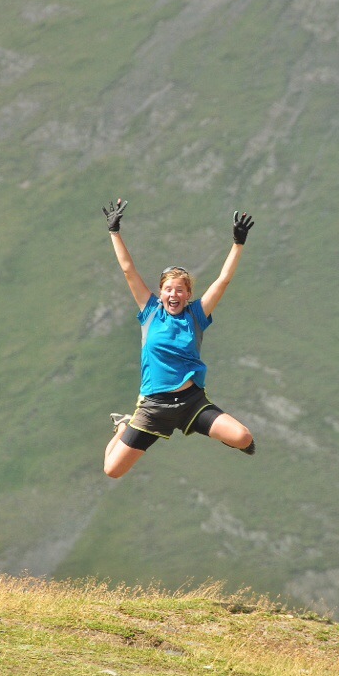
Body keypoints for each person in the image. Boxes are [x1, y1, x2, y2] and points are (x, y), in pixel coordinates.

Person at [101, 197, 256, 479]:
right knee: (112, 470)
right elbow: (128, 269)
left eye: (180, 290)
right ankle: (124, 425)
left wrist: (238, 243)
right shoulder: (150, 312)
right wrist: (114, 232)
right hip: (154, 407)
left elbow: (223, 281)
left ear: (188, 295)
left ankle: (210, 431)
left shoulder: (196, 315)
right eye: (169, 289)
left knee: (244, 438)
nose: (174, 294)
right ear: (161, 293)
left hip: (191, 403)